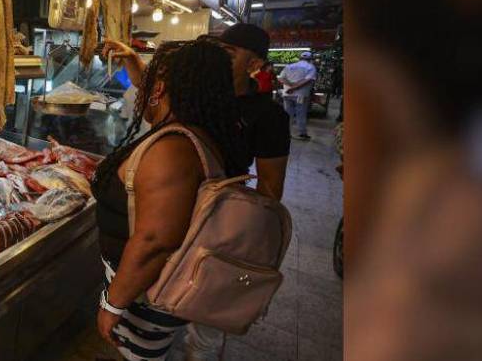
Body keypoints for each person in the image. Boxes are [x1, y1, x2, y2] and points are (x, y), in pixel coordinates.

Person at [95, 39, 251, 361]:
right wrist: (134, 61)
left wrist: (113, 305)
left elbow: (154, 243)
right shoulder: (203, 130)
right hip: (145, 287)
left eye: (150, 81)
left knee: (136, 356)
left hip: (143, 296)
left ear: (160, 88)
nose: (141, 89)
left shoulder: (172, 150)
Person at [218, 23, 292, 201]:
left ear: (253, 64)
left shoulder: (269, 115)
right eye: (216, 52)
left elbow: (270, 188)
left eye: (228, 54)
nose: (216, 59)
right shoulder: (197, 97)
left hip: (220, 204)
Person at [279, 51, 318, 140]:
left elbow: (281, 78)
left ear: (300, 58)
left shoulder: (289, 66)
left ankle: (286, 132)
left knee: (287, 114)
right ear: (310, 59)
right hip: (301, 95)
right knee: (301, 114)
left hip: (287, 94)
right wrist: (294, 88)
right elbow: (307, 80)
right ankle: (302, 133)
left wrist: (290, 86)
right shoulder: (311, 67)